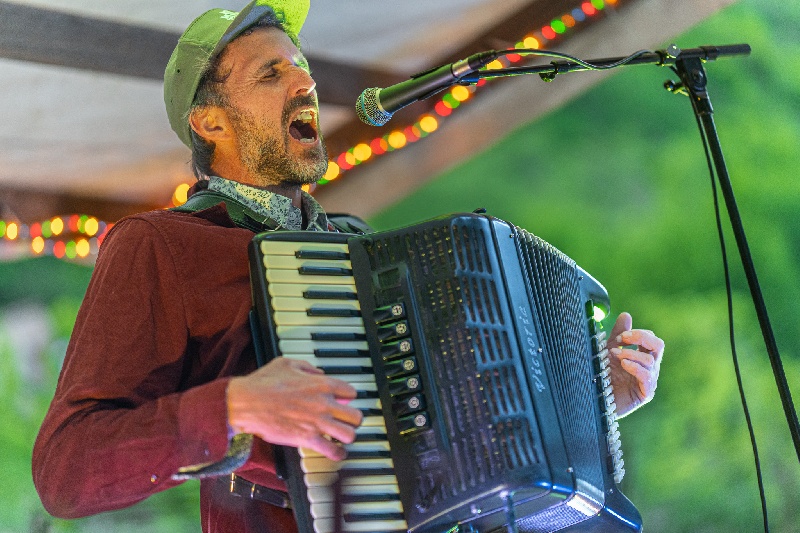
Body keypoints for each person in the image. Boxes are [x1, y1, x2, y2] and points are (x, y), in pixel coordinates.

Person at [32, 1, 665, 532]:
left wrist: (590, 405)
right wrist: (234, 406)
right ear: (211, 121)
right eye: (270, 74)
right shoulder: (162, 246)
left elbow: (449, 448)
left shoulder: (361, 252)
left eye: (301, 68)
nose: (304, 84)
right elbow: (66, 469)